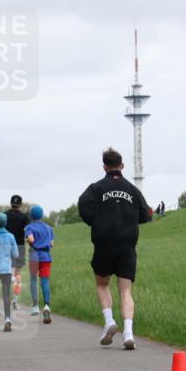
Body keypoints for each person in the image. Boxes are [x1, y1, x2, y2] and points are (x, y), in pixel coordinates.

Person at [77, 147, 151, 350]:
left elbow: (83, 207)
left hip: (103, 243)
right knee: (126, 291)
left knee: (102, 284)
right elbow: (145, 215)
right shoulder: (133, 190)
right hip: (127, 245)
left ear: (104, 167)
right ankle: (129, 333)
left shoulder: (96, 188)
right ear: (122, 166)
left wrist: (96, 221)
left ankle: (109, 322)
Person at [25, 205, 55, 324]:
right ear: (42, 215)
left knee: (33, 279)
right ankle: (47, 305)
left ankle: (35, 306)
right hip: (46, 256)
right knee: (45, 281)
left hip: (34, 256)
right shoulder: (49, 228)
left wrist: (27, 239)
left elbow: (31, 240)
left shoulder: (29, 227)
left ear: (31, 215)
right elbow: (52, 244)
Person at [4, 195, 28, 309]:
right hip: (19, 247)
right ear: (20, 204)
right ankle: (15, 301)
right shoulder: (24, 217)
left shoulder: (4, 215)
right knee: (17, 275)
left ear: (10, 203)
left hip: (6, 247)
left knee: (8, 273)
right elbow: (28, 231)